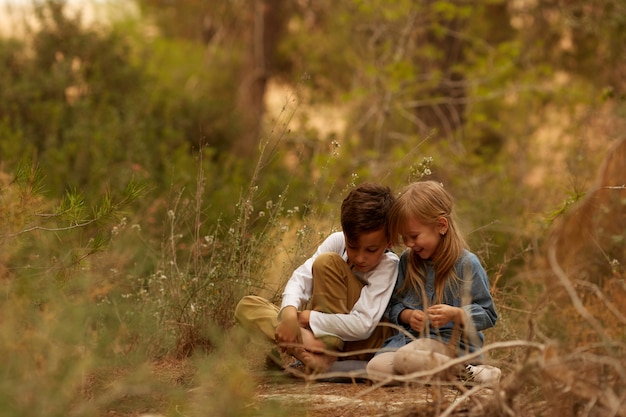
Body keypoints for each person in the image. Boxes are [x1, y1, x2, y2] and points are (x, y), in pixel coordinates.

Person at [235, 183, 399, 373]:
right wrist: (289, 314)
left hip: (362, 343)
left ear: (389, 241)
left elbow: (363, 325)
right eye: (353, 246)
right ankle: (310, 348)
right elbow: (302, 277)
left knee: (327, 262)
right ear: (345, 234)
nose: (360, 257)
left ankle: (323, 351)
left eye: (371, 250)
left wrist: (308, 318)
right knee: (247, 306)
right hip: (322, 334)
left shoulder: (388, 264)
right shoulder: (337, 241)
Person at [366, 180, 498, 383]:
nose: (409, 244)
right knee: (377, 369)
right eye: (404, 237)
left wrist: (457, 314)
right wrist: (407, 315)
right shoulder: (407, 261)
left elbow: (488, 314)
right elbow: (393, 304)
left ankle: (468, 372)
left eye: (414, 236)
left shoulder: (467, 264)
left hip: (451, 343)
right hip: (410, 341)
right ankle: (442, 375)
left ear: (441, 226)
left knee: (403, 359)